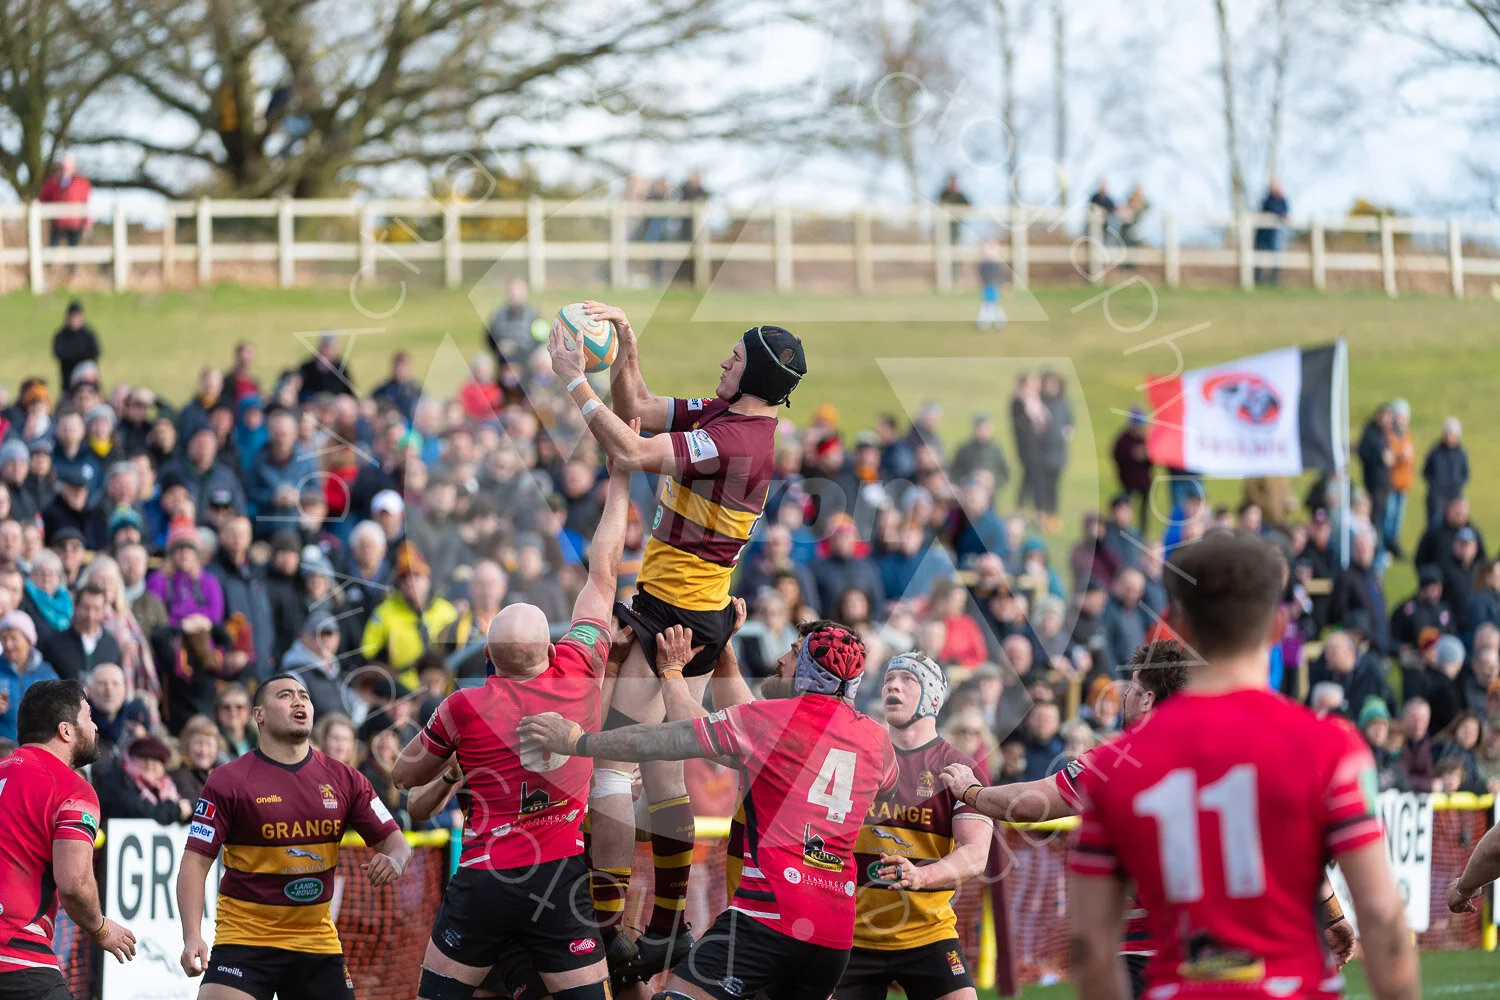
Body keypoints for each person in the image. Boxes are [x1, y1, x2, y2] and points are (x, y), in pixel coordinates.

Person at [551, 300, 804, 969]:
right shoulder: (730, 416)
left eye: (735, 355)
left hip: (679, 619)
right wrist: (625, 348)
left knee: (613, 759)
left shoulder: (736, 440)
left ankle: (608, 934)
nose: (723, 360)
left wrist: (571, 379)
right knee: (661, 768)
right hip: (687, 609)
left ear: (754, 376)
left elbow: (629, 447)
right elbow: (637, 407)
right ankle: (665, 928)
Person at [1065, 532, 1417, 1000]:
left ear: (1177, 627)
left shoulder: (1114, 767)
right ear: (1276, 628)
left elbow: (1090, 942)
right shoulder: (1332, 747)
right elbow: (1382, 916)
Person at [519, 619, 898, 1000]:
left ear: (809, 674)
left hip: (767, 918)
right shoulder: (877, 741)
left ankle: (653, 929)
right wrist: (726, 655)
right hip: (833, 935)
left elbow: (671, 736)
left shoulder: (771, 722)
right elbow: (883, 779)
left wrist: (580, 739)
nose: (782, 658)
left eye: (795, 654)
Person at [388, 448, 632, 1000]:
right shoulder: (579, 667)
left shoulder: (464, 706)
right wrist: (618, 479)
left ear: (490, 661)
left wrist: (450, 762)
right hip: (557, 878)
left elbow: (404, 778)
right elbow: (604, 569)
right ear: (550, 646)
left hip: (485, 880)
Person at [176, 674, 410, 999]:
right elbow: (195, 862)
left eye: (304, 696)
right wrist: (192, 936)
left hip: (316, 941)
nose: (299, 701)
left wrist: (395, 860)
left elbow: (396, 841)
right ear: (258, 714)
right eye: (285, 695)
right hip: (245, 939)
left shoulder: (346, 779)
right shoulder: (227, 780)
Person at [835, 653, 991, 1000]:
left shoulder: (959, 769)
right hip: (850, 936)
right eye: (890, 678)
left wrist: (921, 877)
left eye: (909, 680)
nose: (893, 685)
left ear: (934, 697)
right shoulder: (854, 758)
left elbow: (976, 855)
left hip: (928, 934)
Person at [0, 679, 137, 999]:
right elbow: (74, 883)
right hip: (16, 956)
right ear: (66, 730)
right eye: (88, 717)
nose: (96, 727)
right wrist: (100, 928)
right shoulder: (71, 788)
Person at [0, 611, 58, 744]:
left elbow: (59, 713)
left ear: (28, 640)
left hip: (36, 749)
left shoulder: (46, 673)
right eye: (4, 639)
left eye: (14, 638)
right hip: (3, 751)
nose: (8, 645)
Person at [38, 152, 93, 248]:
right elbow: (44, 198)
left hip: (74, 223)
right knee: (52, 248)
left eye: (67, 166)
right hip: (57, 222)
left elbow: (85, 203)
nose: (65, 169)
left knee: (73, 251)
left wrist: (86, 223)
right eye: (63, 166)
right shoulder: (53, 182)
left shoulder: (81, 183)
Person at [52, 301, 101, 394]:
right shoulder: (61, 335)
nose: (74, 320)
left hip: (88, 382)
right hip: (68, 383)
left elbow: (95, 353)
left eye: (77, 316)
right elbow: (59, 353)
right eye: (72, 316)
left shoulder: (88, 335)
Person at [1254, 180, 1290, 285]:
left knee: (1277, 258)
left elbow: (1285, 211)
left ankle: (1273, 281)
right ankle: (1258, 281)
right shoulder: (1268, 200)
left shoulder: (1283, 201)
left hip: (1275, 235)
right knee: (1259, 259)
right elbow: (1272, 210)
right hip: (1264, 235)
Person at [976, 242, 1006, 330]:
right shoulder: (985, 264)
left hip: (993, 287)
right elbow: (982, 275)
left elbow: (1000, 276)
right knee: (988, 305)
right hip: (987, 287)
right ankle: (987, 322)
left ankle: (997, 322)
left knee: (992, 305)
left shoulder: (995, 264)